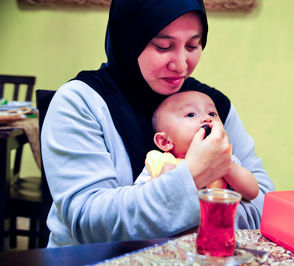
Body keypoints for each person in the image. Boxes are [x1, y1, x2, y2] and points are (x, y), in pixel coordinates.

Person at [41, 0, 274, 247]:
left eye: (193, 45)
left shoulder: (210, 107)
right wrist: (192, 178)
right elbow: (90, 222)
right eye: (163, 47)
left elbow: (265, 204)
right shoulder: (81, 102)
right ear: (129, 39)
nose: (182, 65)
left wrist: (194, 224)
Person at [136, 90, 259, 201]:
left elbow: (252, 193)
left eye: (212, 114)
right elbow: (139, 202)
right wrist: (162, 182)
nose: (206, 118)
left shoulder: (224, 159)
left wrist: (228, 166)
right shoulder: (159, 162)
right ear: (165, 142)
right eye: (191, 114)